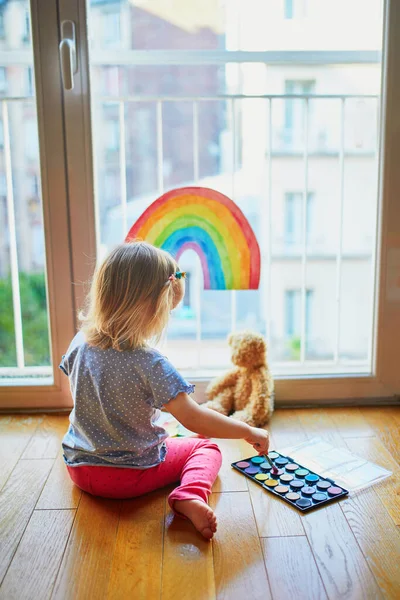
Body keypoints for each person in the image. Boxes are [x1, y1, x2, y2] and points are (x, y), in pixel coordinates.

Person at [60, 241, 269, 539]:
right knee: (204, 447)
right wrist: (248, 431)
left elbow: (85, 397)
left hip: (79, 468)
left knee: (169, 426)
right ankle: (189, 496)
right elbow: (195, 419)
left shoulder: (80, 342)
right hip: (127, 476)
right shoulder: (151, 363)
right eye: (166, 311)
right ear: (151, 308)